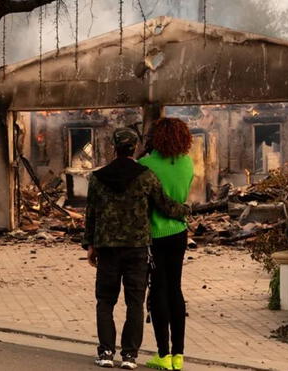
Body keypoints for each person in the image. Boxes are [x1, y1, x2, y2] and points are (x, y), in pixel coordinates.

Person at [82, 127, 190, 370]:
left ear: (114, 148)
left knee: (105, 301)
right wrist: (187, 210)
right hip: (138, 248)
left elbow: (91, 215)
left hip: (107, 248)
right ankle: (129, 356)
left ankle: (106, 352)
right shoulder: (146, 175)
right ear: (134, 148)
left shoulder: (98, 178)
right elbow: (165, 206)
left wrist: (90, 245)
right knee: (134, 302)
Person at [138, 118, 194, 371]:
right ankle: (179, 355)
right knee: (176, 290)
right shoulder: (187, 163)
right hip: (179, 233)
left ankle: (163, 355)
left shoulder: (145, 165)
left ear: (156, 138)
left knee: (158, 291)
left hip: (155, 235)